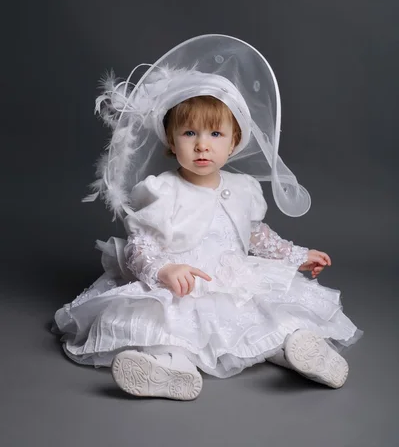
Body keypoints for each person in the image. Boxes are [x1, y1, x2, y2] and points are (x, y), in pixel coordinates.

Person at [53, 35, 362, 401]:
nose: (202, 144)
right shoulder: (163, 191)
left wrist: (297, 254)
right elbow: (141, 245)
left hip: (237, 278)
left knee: (272, 316)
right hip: (185, 283)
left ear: (233, 143)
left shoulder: (244, 187)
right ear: (171, 141)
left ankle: (303, 352)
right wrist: (164, 271)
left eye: (216, 133)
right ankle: (171, 371)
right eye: (189, 133)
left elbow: (255, 235)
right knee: (173, 328)